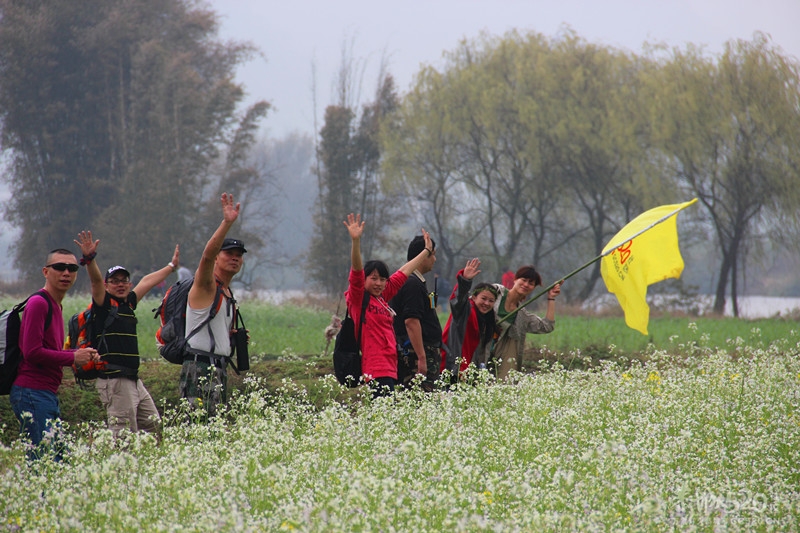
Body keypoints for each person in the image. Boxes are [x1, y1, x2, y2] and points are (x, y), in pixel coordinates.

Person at [76, 231, 180, 436]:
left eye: (124, 280)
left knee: (155, 429)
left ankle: (148, 468)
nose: (121, 284)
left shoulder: (128, 303)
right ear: (107, 286)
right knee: (123, 438)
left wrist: (171, 267)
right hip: (114, 381)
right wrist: (90, 260)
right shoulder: (103, 305)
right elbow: (96, 282)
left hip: (133, 380)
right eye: (115, 281)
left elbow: (147, 282)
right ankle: (120, 468)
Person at [10, 249, 100, 460]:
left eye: (72, 268)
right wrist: (71, 358)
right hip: (32, 392)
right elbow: (32, 352)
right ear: (45, 271)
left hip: (45, 393)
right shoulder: (39, 303)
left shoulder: (55, 305)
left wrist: (79, 353)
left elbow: (49, 349)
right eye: (59, 267)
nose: (66, 273)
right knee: (46, 463)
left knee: (59, 463)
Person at [343, 213, 433, 398]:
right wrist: (356, 242)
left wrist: (426, 252)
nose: (379, 283)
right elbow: (357, 271)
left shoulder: (383, 297)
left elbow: (404, 272)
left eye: (383, 279)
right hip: (375, 369)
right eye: (373, 278)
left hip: (391, 368)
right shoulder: (359, 298)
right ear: (365, 280)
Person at [181, 192, 246, 417]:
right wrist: (226, 223)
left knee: (214, 432)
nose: (235, 258)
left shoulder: (227, 293)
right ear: (218, 258)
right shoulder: (206, 285)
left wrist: (231, 338)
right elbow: (206, 257)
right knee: (199, 432)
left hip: (219, 367)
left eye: (239, 255)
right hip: (200, 367)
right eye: (229, 253)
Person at [390, 233, 442, 391]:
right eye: (432, 255)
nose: (435, 259)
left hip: (420, 351)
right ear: (423, 256)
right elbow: (411, 321)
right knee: (418, 398)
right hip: (414, 355)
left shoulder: (414, 281)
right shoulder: (412, 283)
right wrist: (421, 357)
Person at [490, 265, 561, 379]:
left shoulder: (522, 315)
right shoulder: (496, 292)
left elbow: (547, 326)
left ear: (533, 288)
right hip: (480, 350)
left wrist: (551, 298)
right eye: (523, 280)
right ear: (515, 279)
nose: (526, 285)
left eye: (531, 283)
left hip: (503, 357)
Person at [440, 258, 498, 381]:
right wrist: (465, 281)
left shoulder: (486, 319)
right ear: (474, 297)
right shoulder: (465, 310)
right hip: (451, 367)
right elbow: (458, 299)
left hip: (467, 370)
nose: (486, 303)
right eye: (483, 298)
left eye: (491, 301)